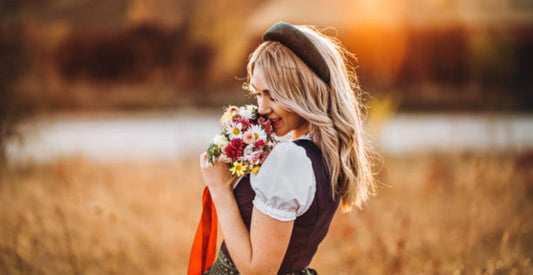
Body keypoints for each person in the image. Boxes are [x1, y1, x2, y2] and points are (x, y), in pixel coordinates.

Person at [199, 22, 375, 275]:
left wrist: (220, 188)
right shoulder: (320, 155)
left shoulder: (289, 158)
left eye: (273, 95)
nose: (262, 108)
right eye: (258, 94)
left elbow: (256, 271)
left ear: (304, 92)